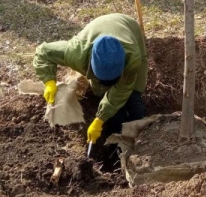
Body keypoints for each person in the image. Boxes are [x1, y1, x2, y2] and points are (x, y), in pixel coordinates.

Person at [33, 13, 148, 144]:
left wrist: (100, 119)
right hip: (97, 28)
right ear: (92, 66)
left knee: (134, 96)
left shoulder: (132, 57)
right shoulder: (76, 53)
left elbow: (121, 91)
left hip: (128, 25)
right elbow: (43, 52)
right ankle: (114, 139)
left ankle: (141, 137)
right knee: (106, 100)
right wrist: (49, 81)